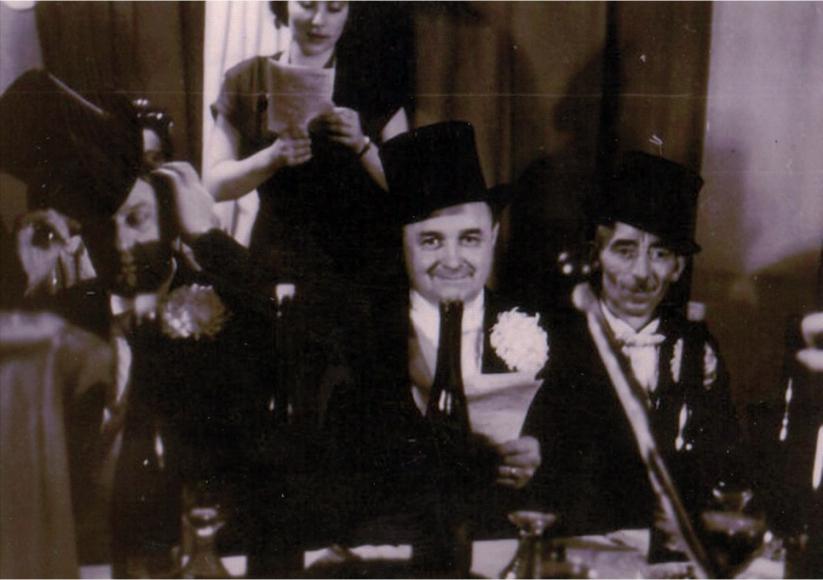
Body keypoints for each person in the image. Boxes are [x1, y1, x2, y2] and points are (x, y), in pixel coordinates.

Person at [1, 69, 282, 572]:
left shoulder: (228, 301)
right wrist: (22, 280)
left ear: (172, 215)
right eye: (101, 228)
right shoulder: (62, 317)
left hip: (208, 554)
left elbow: (283, 342)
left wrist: (208, 238)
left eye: (137, 219)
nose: (122, 245)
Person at [318, 122, 550, 557]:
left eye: (470, 239)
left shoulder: (538, 327)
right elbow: (341, 481)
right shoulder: (356, 337)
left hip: (501, 551)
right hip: (391, 555)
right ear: (402, 242)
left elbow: (572, 466)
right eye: (430, 241)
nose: (453, 260)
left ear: (493, 237)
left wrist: (537, 458)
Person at [526, 152, 745, 552]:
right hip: (573, 551)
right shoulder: (551, 343)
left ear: (678, 267)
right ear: (596, 256)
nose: (642, 273)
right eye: (625, 250)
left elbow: (722, 463)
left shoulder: (698, 348)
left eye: (660, 254)